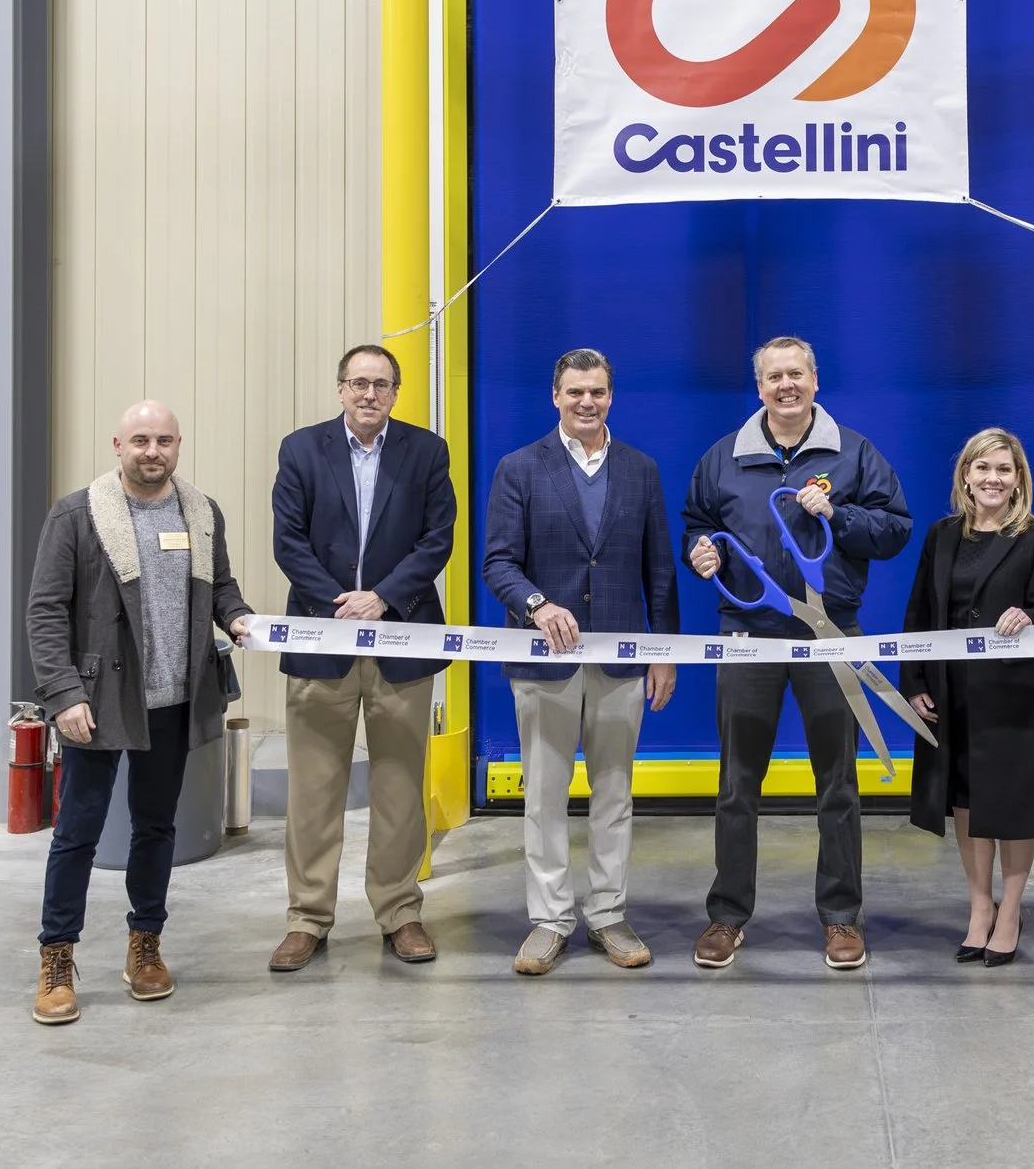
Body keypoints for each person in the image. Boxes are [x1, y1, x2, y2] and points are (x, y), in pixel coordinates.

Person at [683, 335, 911, 971]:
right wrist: (702, 554)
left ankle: (841, 918)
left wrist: (838, 515)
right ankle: (727, 916)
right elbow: (698, 523)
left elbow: (894, 530)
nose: (786, 385)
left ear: (816, 381)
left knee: (838, 783)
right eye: (774, 377)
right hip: (747, 636)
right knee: (736, 784)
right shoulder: (723, 458)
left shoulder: (854, 454)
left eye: (796, 375)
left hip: (829, 632)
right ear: (759, 388)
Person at [25, 400, 254, 1025]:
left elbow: (222, 586)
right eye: (140, 441)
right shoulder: (77, 515)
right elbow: (45, 612)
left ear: (179, 446)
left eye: (164, 441)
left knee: (157, 829)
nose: (152, 452)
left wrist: (235, 615)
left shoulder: (201, 512)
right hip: (96, 704)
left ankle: (145, 943)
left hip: (174, 700)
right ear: (117, 445)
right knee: (77, 833)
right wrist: (63, 694)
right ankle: (56, 955)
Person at [480, 348, 680, 976]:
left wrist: (664, 652)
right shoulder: (519, 468)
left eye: (597, 392)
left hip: (622, 662)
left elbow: (659, 571)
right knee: (543, 795)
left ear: (611, 397)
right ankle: (548, 920)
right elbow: (498, 563)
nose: (586, 402)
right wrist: (537, 604)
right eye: (575, 392)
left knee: (614, 794)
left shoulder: (640, 470)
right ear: (555, 396)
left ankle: (609, 915)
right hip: (546, 663)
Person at [267, 344, 457, 970]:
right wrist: (339, 602)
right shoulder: (300, 450)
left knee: (401, 787)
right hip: (323, 641)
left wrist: (383, 598)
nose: (369, 394)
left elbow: (438, 539)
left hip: (402, 639)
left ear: (396, 393)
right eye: (358, 383)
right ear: (340, 389)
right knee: (315, 790)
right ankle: (308, 918)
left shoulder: (426, 451)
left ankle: (400, 912)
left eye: (381, 384)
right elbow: (288, 540)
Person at [900, 428, 1034, 968]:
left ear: (1019, 480)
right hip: (951, 695)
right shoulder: (941, 535)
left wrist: (1031, 616)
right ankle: (979, 910)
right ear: (965, 477)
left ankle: (1011, 912)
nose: (993, 479)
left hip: (1010, 697)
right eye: (983, 468)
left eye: (1004, 469)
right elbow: (920, 614)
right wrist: (915, 680)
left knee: (1013, 808)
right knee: (966, 805)